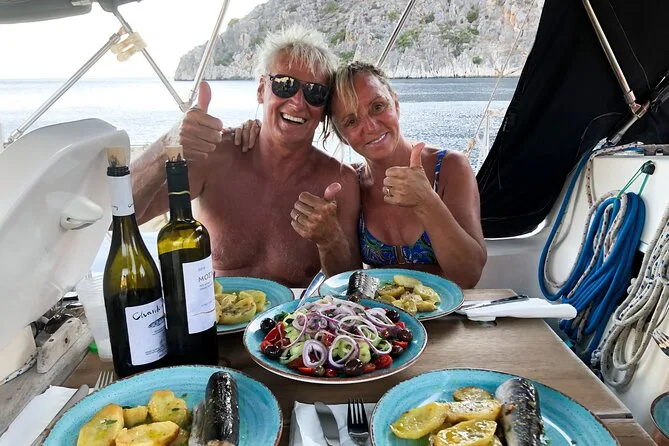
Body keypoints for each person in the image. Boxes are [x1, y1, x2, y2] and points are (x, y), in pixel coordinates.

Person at [130, 25, 361, 287]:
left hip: (298, 314)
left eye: (314, 92)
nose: (298, 103)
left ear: (324, 109)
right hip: (217, 312)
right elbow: (121, 220)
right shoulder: (214, 157)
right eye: (284, 85)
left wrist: (330, 239)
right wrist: (166, 146)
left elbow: (351, 287)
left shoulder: (340, 182)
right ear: (262, 89)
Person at [236, 61, 486, 288]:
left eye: (378, 107)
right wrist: (328, 238)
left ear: (396, 104)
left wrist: (427, 202)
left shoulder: (450, 168)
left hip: (449, 317)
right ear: (342, 136)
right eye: (351, 121)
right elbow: (346, 281)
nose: (370, 126)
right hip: (382, 320)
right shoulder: (350, 184)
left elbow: (469, 275)